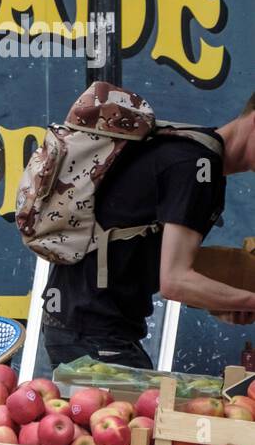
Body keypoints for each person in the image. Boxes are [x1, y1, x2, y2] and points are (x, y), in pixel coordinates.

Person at [43, 91, 255, 368]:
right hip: (92, 333)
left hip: (85, 326)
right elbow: (175, 282)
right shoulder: (196, 166)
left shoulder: (186, 152)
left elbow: (147, 257)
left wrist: (226, 300)